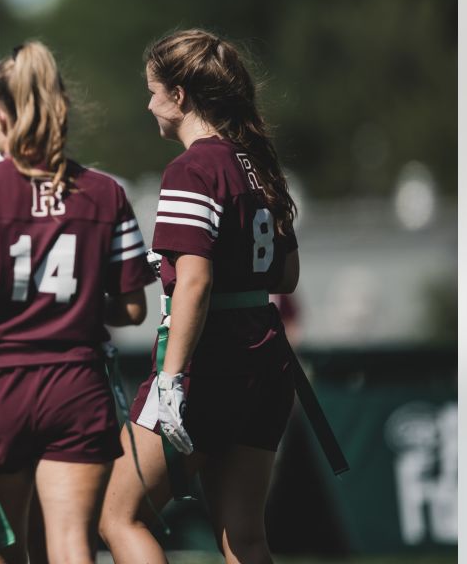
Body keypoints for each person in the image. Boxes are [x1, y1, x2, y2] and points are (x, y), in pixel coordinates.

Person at [0, 41, 156, 564]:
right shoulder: (104, 192)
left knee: (0, 551)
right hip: (77, 382)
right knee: (72, 546)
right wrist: (78, 309)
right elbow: (134, 309)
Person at [99, 29, 301, 564]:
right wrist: (169, 263)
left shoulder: (192, 167)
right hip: (266, 359)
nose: (149, 104)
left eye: (153, 91)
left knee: (120, 516)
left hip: (209, 365)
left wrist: (169, 381)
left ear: (180, 95)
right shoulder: (257, 162)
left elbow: (197, 282)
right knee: (245, 537)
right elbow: (284, 275)